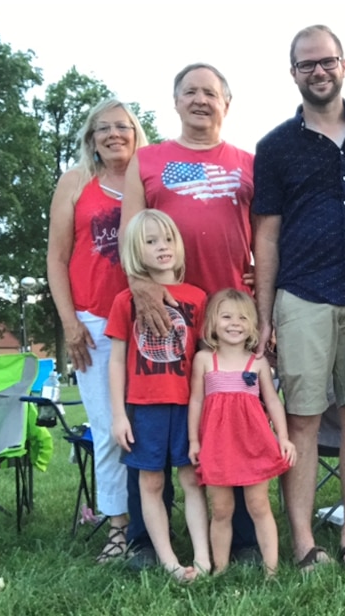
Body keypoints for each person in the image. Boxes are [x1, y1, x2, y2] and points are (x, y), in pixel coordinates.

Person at [253, 24, 345, 572]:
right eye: (306, 64)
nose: (318, 71)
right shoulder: (274, 147)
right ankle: (302, 540)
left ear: (344, 64)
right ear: (293, 73)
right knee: (303, 420)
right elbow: (265, 234)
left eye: (326, 61)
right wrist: (265, 316)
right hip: (303, 296)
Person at [120, 62, 258, 567]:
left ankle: (240, 535)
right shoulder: (148, 159)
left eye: (211, 92)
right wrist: (138, 287)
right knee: (157, 421)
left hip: (226, 318)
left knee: (230, 419)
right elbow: (130, 228)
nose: (201, 100)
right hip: (162, 315)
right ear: (175, 101)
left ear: (227, 102)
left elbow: (263, 234)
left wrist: (257, 291)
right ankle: (144, 539)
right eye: (190, 92)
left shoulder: (248, 161)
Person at [46, 98, 149, 563]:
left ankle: (157, 524)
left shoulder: (147, 178)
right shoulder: (75, 183)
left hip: (147, 319)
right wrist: (69, 323)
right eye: (103, 128)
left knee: (150, 426)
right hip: (93, 323)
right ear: (91, 137)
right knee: (109, 428)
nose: (113, 135)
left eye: (122, 127)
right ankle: (117, 527)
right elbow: (57, 259)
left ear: (135, 132)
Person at [107, 210, 209, 582]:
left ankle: (202, 557)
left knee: (192, 479)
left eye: (167, 239)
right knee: (150, 483)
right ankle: (167, 559)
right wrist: (119, 414)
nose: (161, 247)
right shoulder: (124, 301)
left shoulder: (198, 298)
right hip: (144, 408)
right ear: (137, 251)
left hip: (188, 407)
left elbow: (206, 354)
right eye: (150, 242)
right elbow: (116, 361)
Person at [189, 289, 296, 577]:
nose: (234, 323)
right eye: (226, 317)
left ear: (253, 326)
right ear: (213, 322)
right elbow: (196, 401)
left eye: (242, 318)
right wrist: (194, 441)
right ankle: (219, 568)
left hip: (253, 444)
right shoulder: (203, 360)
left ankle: (271, 570)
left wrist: (283, 437)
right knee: (221, 509)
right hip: (216, 446)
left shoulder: (257, 362)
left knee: (259, 505)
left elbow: (272, 401)